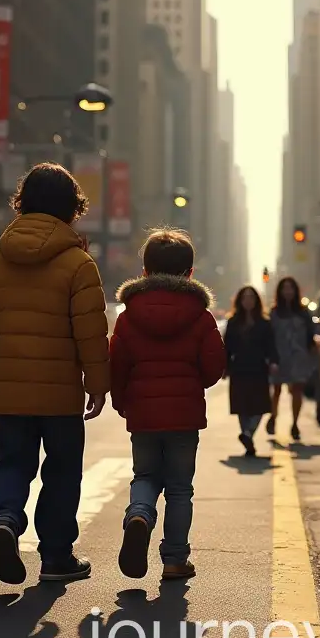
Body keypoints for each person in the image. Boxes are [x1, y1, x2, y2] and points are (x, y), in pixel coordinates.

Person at [0, 162, 110, 586]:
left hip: (11, 392)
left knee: (12, 462)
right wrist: (98, 385)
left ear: (22, 202)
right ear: (72, 208)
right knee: (62, 470)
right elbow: (91, 331)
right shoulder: (78, 264)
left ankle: (7, 522)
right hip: (61, 396)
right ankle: (55, 557)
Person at [110, 228, 226, 581]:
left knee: (144, 475)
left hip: (143, 415)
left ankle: (139, 515)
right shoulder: (202, 317)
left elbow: (117, 363)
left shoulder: (128, 316)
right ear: (190, 273)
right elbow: (213, 369)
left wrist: (120, 399)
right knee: (179, 489)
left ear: (145, 271)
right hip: (184, 416)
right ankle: (175, 559)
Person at [222, 286, 276, 457]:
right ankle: (247, 436)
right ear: (239, 301)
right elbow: (227, 347)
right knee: (242, 405)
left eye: (251, 297)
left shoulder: (264, 322)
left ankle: (248, 433)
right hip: (239, 367)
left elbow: (271, 345)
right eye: (245, 297)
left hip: (259, 368)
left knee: (259, 405)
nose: (248, 301)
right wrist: (225, 368)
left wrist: (274, 362)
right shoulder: (233, 322)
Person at [267, 276, 317, 441]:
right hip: (279, 356)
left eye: (291, 288)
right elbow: (269, 336)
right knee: (277, 390)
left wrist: (312, 353)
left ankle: (295, 423)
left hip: (298, 356)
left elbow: (311, 334)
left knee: (297, 390)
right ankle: (274, 417)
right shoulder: (274, 313)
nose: (287, 291)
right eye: (284, 288)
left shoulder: (303, 313)